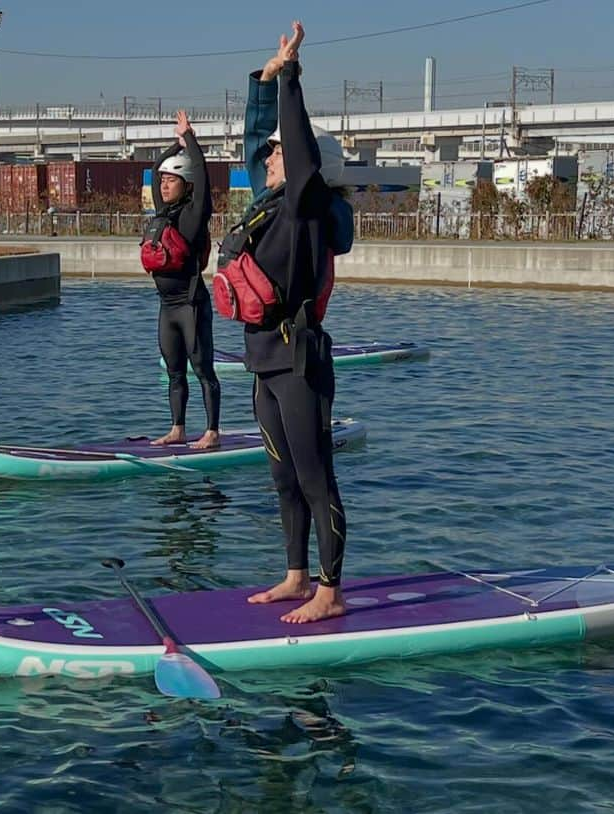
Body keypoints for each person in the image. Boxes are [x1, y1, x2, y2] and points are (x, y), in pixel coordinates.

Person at [225, 22, 351, 623]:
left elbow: (292, 144)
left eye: (280, 152)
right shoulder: (267, 205)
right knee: (280, 477)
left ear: (306, 166)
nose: (270, 157)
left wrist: (292, 77)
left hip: (299, 361)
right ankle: (296, 575)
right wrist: (264, 78)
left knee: (313, 474)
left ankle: (330, 588)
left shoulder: (305, 209)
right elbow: (257, 140)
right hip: (262, 361)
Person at [141, 110, 220, 449]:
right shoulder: (163, 215)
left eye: (171, 181)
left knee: (202, 369)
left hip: (191, 305)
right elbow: (153, 174)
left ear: (185, 186)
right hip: (167, 308)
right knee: (174, 372)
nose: (164, 186)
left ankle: (212, 431)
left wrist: (189, 138)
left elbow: (202, 173)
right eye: (162, 181)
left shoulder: (193, 216)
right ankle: (177, 428)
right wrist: (170, 150)